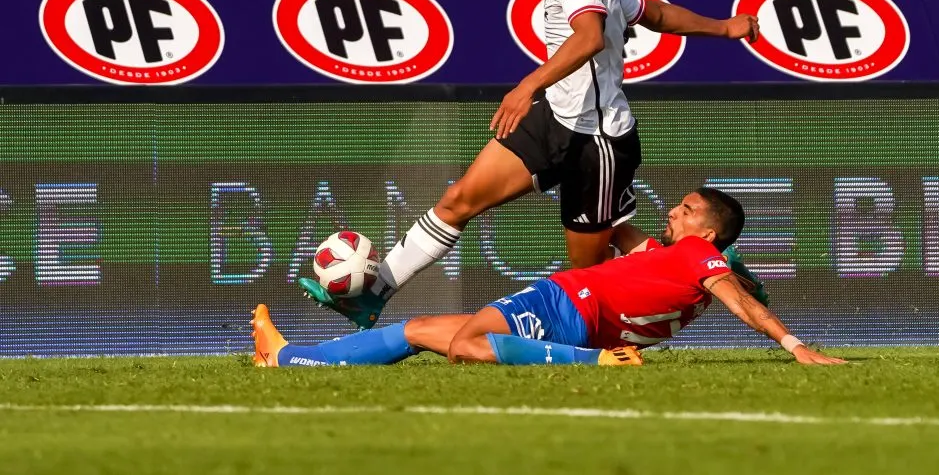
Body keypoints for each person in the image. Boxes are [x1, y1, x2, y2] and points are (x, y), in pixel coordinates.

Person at [297, 0, 761, 330]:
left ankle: (711, 272)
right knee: (459, 200)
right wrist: (724, 27)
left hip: (595, 145)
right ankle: (374, 292)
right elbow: (651, 13)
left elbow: (589, 38)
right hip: (555, 118)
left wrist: (526, 85)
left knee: (589, 274)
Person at [256, 188, 846, 367]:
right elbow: (616, 228)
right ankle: (288, 358)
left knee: (464, 343)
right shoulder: (675, 254)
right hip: (580, 316)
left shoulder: (699, 259)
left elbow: (741, 303)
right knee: (419, 327)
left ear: (709, 235)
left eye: (687, 212)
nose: (675, 211)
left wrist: (795, 347)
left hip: (568, 304)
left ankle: (598, 366)